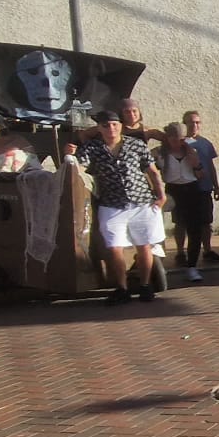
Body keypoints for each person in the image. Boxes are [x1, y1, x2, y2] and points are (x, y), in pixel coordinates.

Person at [69, 109, 168, 304]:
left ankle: (145, 285)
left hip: (141, 201)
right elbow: (78, 168)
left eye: (114, 124)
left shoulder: (136, 144)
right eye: (106, 125)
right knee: (115, 247)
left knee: (144, 245)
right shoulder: (92, 148)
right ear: (100, 128)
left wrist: (161, 195)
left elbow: (152, 171)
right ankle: (121, 287)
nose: (111, 129)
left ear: (121, 126)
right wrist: (70, 158)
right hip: (112, 203)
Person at [157, 123, 213, 283]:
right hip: (171, 189)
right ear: (167, 138)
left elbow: (201, 174)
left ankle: (192, 267)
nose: (177, 142)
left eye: (181, 139)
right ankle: (160, 264)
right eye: (174, 138)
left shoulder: (191, 151)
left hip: (191, 188)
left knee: (194, 228)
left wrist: (193, 160)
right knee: (169, 225)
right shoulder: (160, 153)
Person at [180, 111, 219, 263]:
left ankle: (207, 250)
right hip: (185, 189)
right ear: (184, 124)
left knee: (206, 222)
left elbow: (211, 166)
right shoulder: (180, 142)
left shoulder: (206, 143)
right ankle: (180, 252)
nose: (195, 125)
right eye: (191, 122)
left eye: (198, 122)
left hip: (204, 188)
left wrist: (216, 186)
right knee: (181, 222)